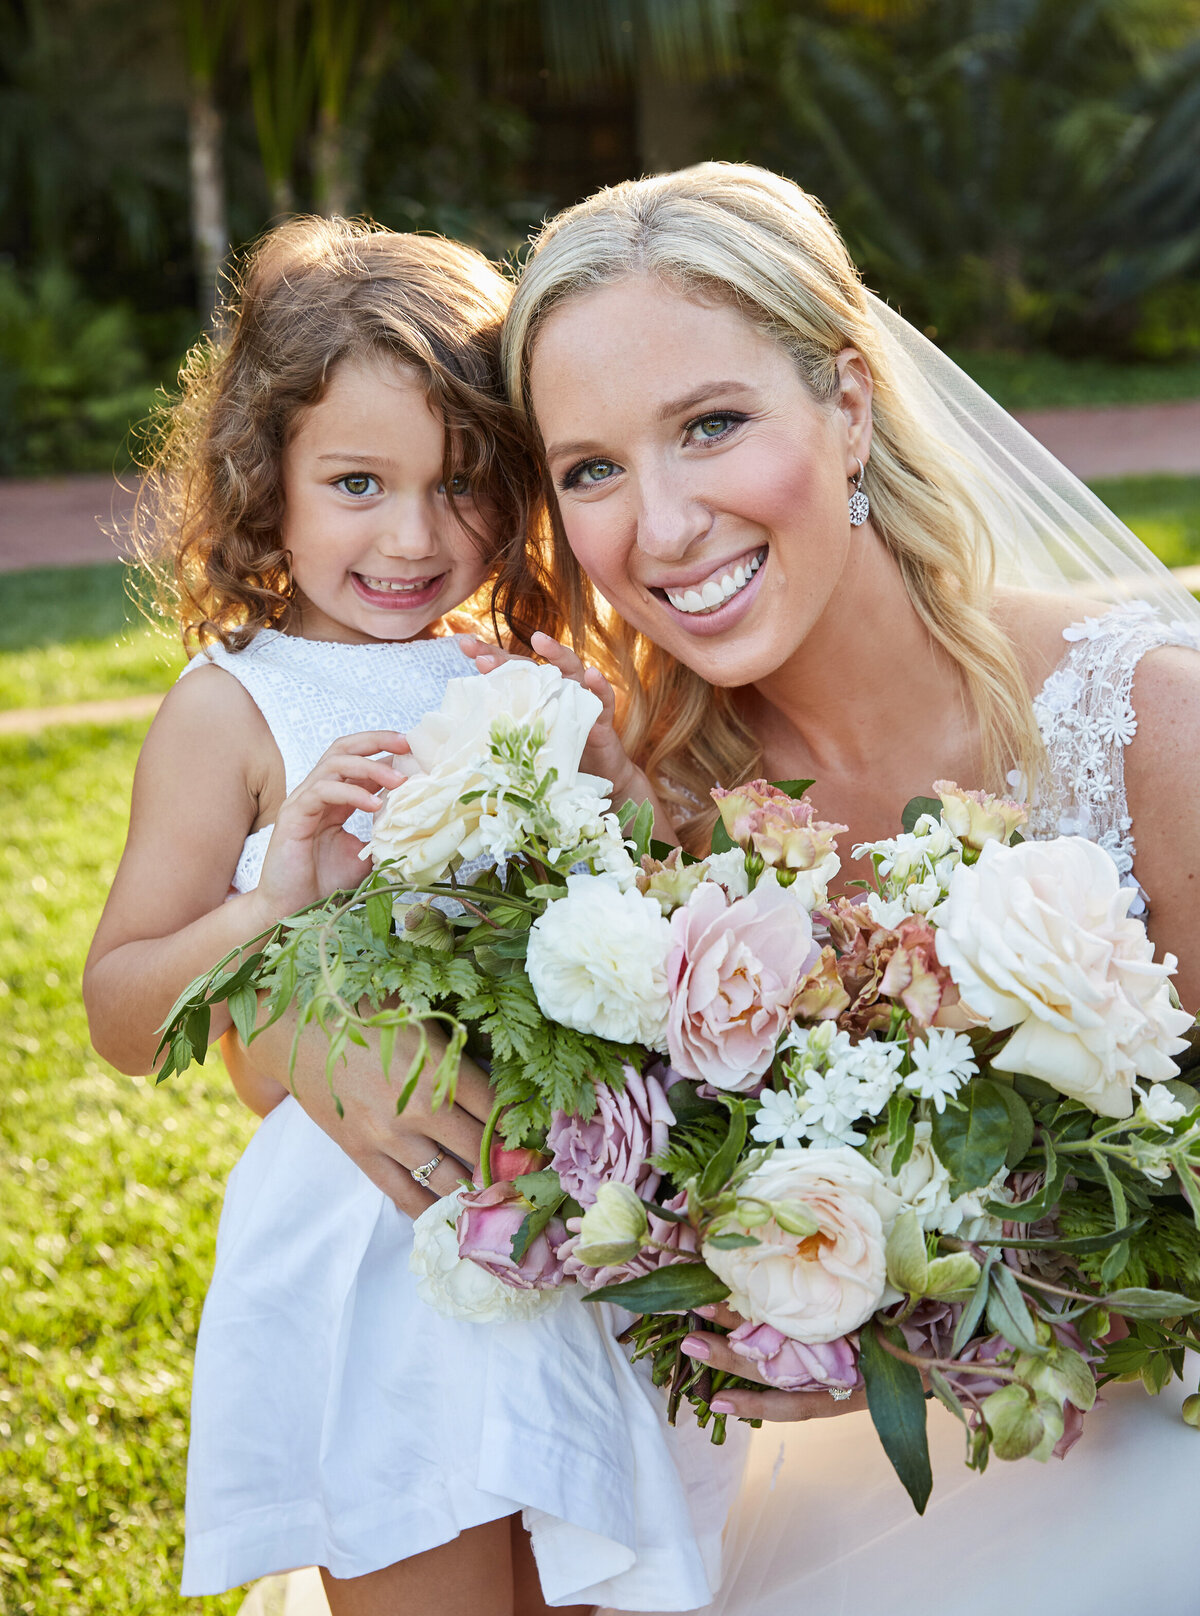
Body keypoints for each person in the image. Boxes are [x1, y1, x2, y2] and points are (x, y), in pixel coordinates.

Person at [497, 161, 1200, 1615]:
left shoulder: (1143, 724)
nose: (666, 524)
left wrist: (944, 1309)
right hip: (812, 1484)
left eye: (711, 426)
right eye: (592, 470)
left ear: (853, 406)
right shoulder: (629, 806)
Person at [83, 216, 743, 1616]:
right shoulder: (234, 710)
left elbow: (648, 919)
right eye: (358, 483)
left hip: (570, 1231)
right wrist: (269, 902)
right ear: (266, 484)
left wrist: (625, 799)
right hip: (372, 1252)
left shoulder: (531, 678)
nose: (412, 537)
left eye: (460, 488)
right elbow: (124, 1013)